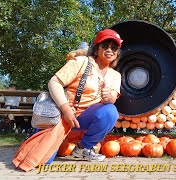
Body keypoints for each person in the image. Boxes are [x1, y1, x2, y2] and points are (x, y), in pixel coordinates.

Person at [48, 28, 123, 161]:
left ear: (118, 52)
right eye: (105, 46)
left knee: (110, 111)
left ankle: (83, 148)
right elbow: (54, 82)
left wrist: (107, 98)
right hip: (63, 115)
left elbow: (112, 99)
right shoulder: (81, 62)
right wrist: (65, 109)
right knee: (43, 161)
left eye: (114, 47)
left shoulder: (115, 76)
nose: (110, 50)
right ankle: (41, 137)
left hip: (85, 117)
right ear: (96, 48)